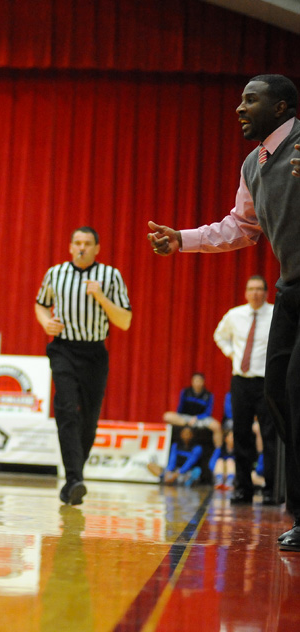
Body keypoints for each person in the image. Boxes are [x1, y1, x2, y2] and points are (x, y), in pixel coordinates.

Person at [147, 73, 300, 550]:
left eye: (250, 100)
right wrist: (183, 240)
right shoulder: (253, 164)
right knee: (278, 392)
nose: (239, 107)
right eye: (240, 99)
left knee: (296, 388)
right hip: (292, 289)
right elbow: (241, 226)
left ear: (280, 108)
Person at [35, 227, 132, 506]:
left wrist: (101, 298)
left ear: (97, 248)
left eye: (87, 244)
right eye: (77, 243)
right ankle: (74, 478)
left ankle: (73, 480)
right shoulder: (55, 273)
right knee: (66, 410)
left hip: (94, 353)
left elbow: (124, 321)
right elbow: (41, 305)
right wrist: (45, 322)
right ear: (70, 246)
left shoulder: (111, 276)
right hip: (63, 348)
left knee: (88, 421)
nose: (82, 247)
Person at [213, 275, 278, 505]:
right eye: (251, 289)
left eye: (260, 289)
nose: (255, 293)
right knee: (241, 434)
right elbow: (219, 335)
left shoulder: (275, 314)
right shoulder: (235, 315)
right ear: (245, 292)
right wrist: (232, 354)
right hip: (240, 381)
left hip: (266, 381)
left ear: (267, 292)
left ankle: (271, 489)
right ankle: (243, 488)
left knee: (269, 436)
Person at [161, 372, 221, 450]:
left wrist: (197, 418)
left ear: (203, 382)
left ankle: (217, 451)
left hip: (201, 419)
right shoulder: (185, 392)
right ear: (192, 382)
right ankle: (166, 447)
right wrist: (183, 420)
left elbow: (208, 412)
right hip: (186, 418)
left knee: (217, 426)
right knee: (167, 416)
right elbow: (180, 409)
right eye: (195, 381)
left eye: (199, 381)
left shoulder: (208, 395)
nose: (197, 383)